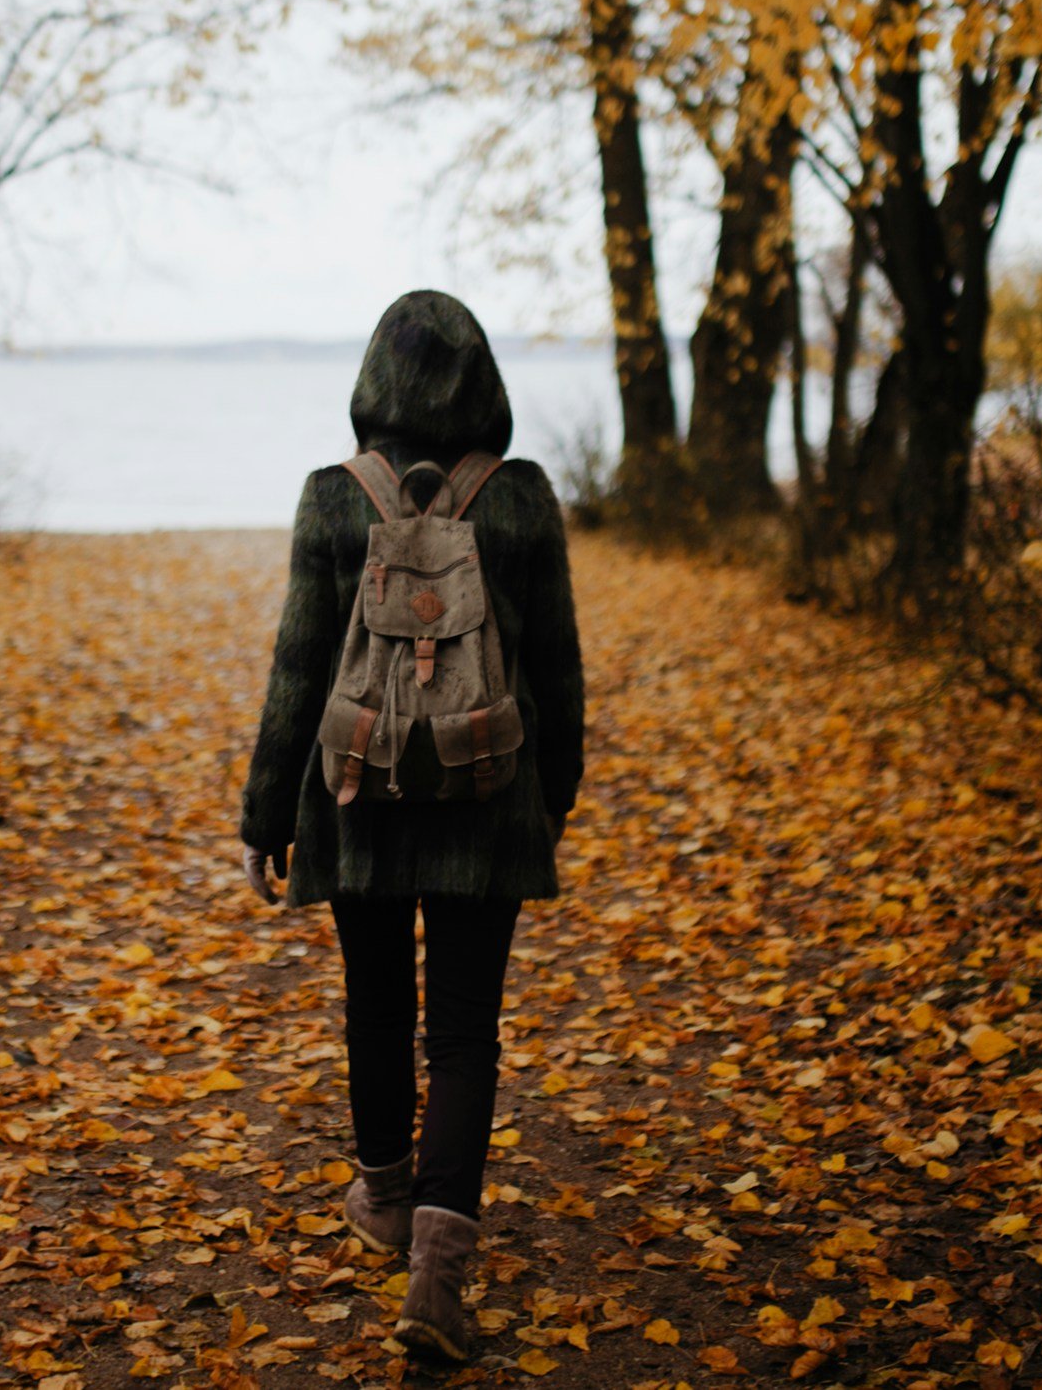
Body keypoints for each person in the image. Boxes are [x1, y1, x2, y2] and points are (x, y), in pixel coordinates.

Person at [237, 290, 584, 1364]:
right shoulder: (519, 498)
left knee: (378, 1009)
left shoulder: (334, 499)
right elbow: (559, 669)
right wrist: (550, 795)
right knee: (465, 1033)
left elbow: (297, 668)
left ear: (373, 384)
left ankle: (385, 1195)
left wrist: (265, 814)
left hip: (357, 798)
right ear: (485, 383)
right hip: (488, 801)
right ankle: (439, 1270)